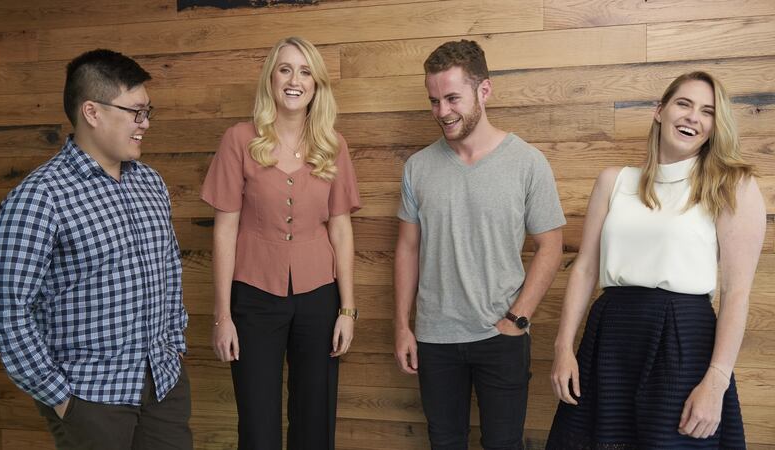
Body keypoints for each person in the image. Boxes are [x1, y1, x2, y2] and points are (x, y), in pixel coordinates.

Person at [0, 49, 191, 450]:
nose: (144, 124)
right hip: (90, 398)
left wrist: (174, 346)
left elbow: (170, 270)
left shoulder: (151, 183)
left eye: (148, 112)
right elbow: (4, 309)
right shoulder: (40, 197)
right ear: (92, 112)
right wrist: (59, 397)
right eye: (135, 112)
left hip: (162, 386)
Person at [546, 71, 765, 449]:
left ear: (715, 126)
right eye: (684, 104)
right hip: (610, 336)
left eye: (707, 111)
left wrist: (716, 380)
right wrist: (563, 348)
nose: (692, 117)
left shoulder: (734, 186)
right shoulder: (613, 181)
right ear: (659, 111)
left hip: (682, 340)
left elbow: (736, 291)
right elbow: (583, 270)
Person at [394, 40, 566, 450]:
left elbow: (551, 246)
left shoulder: (527, 162)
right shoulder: (417, 167)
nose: (442, 112)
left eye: (452, 98)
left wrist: (518, 319)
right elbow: (407, 249)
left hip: (501, 336)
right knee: (445, 442)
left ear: (483, 91)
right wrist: (403, 326)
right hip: (435, 338)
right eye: (434, 101)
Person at [200, 36, 360, 450]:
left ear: (317, 84)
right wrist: (223, 316)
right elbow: (224, 231)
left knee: (315, 419)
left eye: (305, 71)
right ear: (271, 78)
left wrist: (347, 310)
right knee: (257, 422)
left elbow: (341, 230)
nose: (295, 80)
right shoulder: (238, 140)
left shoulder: (333, 145)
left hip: (319, 298)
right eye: (286, 69)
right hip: (252, 297)